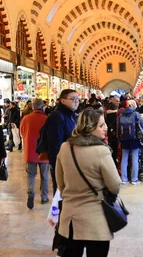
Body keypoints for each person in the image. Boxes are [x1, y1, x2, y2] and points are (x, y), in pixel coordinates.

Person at [55, 108, 121, 257]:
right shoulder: (101, 151)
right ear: (90, 127)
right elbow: (115, 185)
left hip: (70, 220)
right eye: (101, 125)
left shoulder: (65, 148)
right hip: (96, 221)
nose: (106, 128)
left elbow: (61, 183)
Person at [45, 89, 79, 194]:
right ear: (63, 101)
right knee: (62, 193)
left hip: (73, 160)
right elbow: (55, 145)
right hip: (62, 163)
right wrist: (58, 165)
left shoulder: (72, 116)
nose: (76, 101)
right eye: (73, 99)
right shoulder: (57, 116)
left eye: (77, 99)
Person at [20, 98, 50, 209]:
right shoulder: (47, 119)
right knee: (45, 176)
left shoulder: (26, 118)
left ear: (32, 107)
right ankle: (44, 197)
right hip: (44, 151)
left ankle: (30, 193)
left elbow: (22, 133)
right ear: (43, 107)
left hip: (31, 151)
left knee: (31, 175)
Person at [118, 100, 143, 185]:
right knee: (135, 158)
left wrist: (119, 138)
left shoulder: (121, 114)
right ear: (133, 105)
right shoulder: (136, 114)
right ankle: (134, 179)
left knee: (124, 158)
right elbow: (141, 125)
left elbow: (118, 127)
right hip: (134, 139)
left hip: (124, 139)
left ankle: (124, 179)